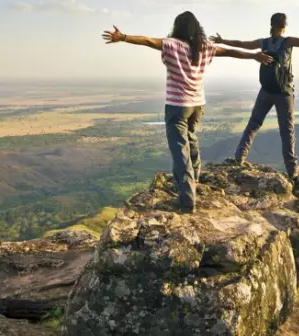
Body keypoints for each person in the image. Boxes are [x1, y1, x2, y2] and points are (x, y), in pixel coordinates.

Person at [102, 12, 272, 213]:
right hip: (197, 104)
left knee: (179, 149)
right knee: (191, 139)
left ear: (177, 28)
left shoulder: (173, 45)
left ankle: (187, 199)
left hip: (177, 105)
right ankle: (195, 178)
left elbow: (148, 41)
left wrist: (123, 38)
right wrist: (254, 56)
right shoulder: (205, 48)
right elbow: (228, 51)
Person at [213, 13, 299, 178]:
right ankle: (292, 169)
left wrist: (222, 41)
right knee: (287, 130)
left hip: (266, 90)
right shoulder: (288, 42)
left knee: (254, 123)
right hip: (283, 92)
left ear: (271, 25)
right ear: (284, 26)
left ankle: (239, 157)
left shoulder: (263, 43)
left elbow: (241, 44)